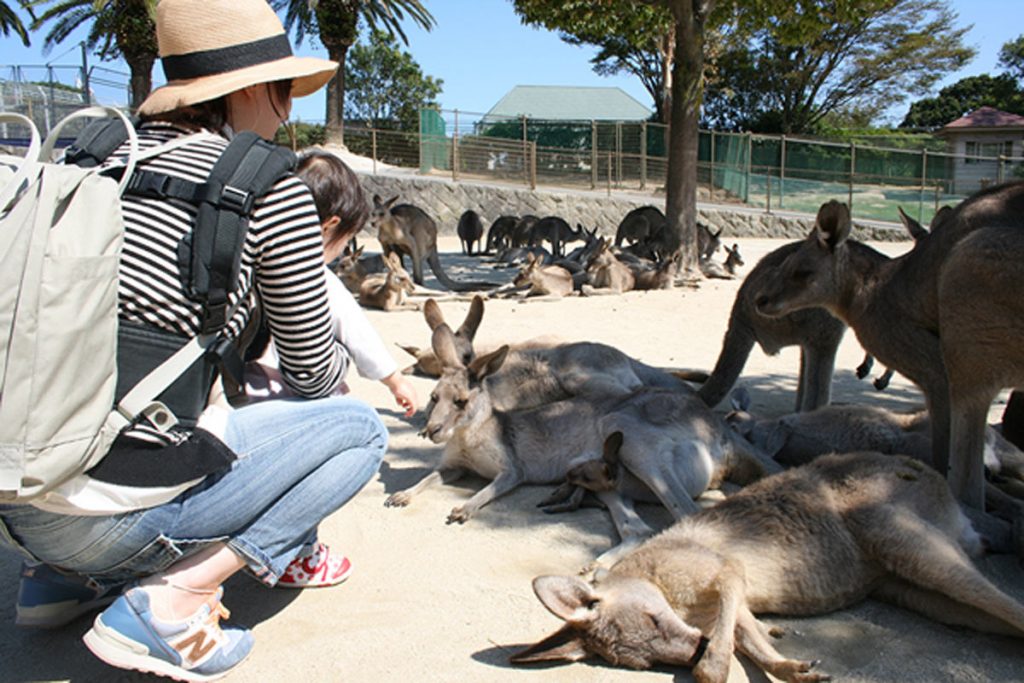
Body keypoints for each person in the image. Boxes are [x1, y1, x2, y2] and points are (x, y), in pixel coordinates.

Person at [0, 0, 391, 679]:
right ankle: (180, 598)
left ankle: (59, 578)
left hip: (16, 496)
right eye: (283, 90)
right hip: (103, 518)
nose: (286, 112)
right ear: (246, 89)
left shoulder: (87, 152)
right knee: (358, 430)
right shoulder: (269, 185)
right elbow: (312, 375)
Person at [240, 149, 418, 416]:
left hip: (238, 392)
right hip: (288, 397)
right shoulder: (316, 276)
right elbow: (357, 334)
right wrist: (396, 380)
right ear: (329, 226)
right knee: (365, 423)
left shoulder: (249, 256)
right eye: (345, 238)